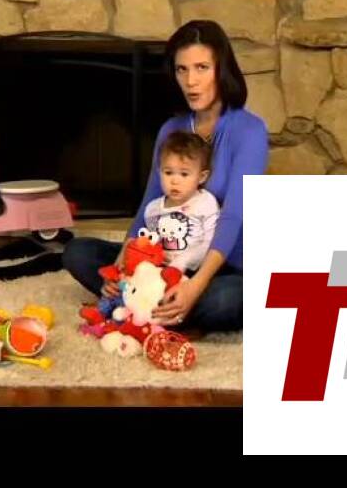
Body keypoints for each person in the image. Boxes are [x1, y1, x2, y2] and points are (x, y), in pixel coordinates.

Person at [63, 19, 269, 332]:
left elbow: (233, 216)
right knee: (77, 253)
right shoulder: (171, 129)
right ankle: (156, 306)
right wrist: (120, 269)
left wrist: (194, 286)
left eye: (201, 68)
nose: (191, 81)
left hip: (225, 266)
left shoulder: (250, 130)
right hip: (165, 260)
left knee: (226, 300)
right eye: (181, 70)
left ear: (222, 71)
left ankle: (148, 307)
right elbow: (149, 203)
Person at [142, 130, 219, 274]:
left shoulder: (205, 202)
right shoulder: (152, 209)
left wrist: (183, 261)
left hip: (193, 271)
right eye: (168, 172)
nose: (175, 181)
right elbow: (151, 242)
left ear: (201, 177)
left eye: (184, 174)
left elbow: (210, 242)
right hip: (160, 270)